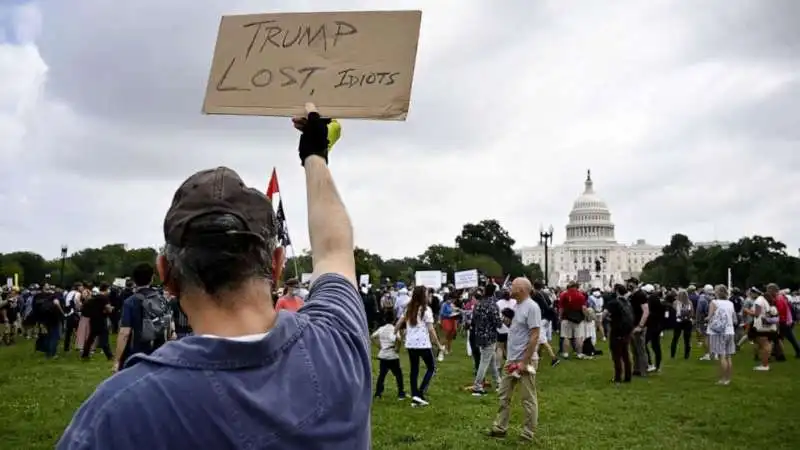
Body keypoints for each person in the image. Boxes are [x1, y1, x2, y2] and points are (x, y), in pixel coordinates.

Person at [59, 104, 371, 449]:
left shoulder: (119, 414)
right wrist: (315, 154)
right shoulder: (337, 343)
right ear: (276, 265)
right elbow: (334, 250)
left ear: (167, 276)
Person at [490, 278, 541, 442]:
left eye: (513, 286)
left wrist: (524, 363)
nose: (509, 288)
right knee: (503, 395)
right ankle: (500, 428)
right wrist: (508, 321)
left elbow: (534, 336)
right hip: (511, 360)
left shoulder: (532, 307)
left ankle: (527, 433)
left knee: (527, 398)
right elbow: (519, 329)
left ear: (522, 289)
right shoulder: (517, 305)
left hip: (525, 361)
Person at [395, 286, 442, 407]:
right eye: (426, 294)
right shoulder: (426, 310)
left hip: (410, 344)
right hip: (423, 344)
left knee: (414, 370)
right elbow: (431, 330)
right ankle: (420, 393)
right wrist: (438, 344)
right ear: (423, 296)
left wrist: (395, 333)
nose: (428, 296)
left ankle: (415, 394)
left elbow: (399, 323)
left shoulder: (409, 309)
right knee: (431, 368)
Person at [604, 284, 635, 384]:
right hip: (627, 331)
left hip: (617, 330)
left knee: (616, 355)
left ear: (616, 291)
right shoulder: (627, 303)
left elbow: (604, 314)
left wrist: (607, 318)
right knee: (626, 353)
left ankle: (618, 377)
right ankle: (628, 376)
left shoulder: (613, 303)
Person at [371, 311, 405, 400]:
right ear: (394, 320)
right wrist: (397, 348)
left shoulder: (381, 329)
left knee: (382, 375)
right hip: (392, 355)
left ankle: (378, 393)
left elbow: (372, 337)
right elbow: (398, 339)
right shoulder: (394, 329)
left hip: (383, 355)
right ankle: (401, 393)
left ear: (385, 319)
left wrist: (379, 346)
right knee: (398, 375)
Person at [706, 285, 736, 384]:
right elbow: (733, 317)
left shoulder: (714, 302)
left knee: (721, 356)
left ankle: (723, 378)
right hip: (730, 330)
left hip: (718, 332)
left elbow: (710, 316)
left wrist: (705, 319)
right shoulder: (730, 303)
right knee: (728, 356)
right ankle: (728, 378)